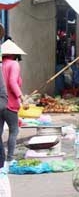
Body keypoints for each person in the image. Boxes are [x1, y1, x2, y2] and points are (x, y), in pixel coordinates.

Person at [0, 39, 28, 169]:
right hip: (10, 103)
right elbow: (12, 82)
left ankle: (2, 159)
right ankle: (9, 159)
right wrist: (21, 97)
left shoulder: (1, 64)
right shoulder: (14, 64)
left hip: (0, 103)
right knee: (14, 131)